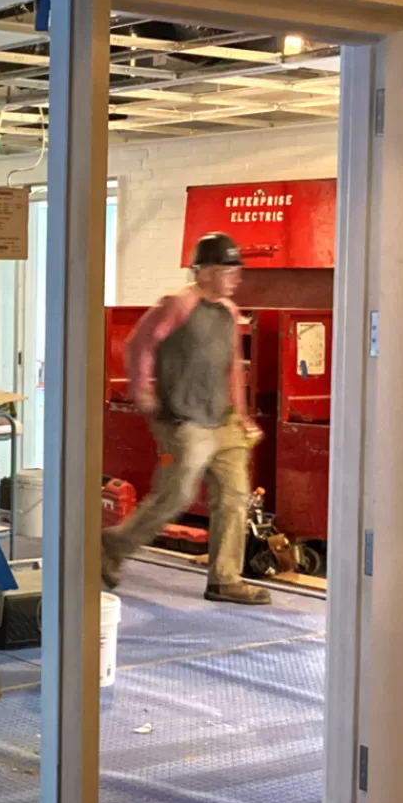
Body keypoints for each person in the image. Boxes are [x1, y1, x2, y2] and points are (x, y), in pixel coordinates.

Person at [100, 233, 270, 605]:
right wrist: (141, 388)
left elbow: (231, 368)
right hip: (183, 418)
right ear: (206, 271)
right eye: (228, 269)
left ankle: (225, 579)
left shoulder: (227, 311)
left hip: (221, 419)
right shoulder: (178, 304)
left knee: (234, 497)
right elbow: (140, 344)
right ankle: (111, 546)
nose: (236, 276)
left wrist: (240, 416)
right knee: (176, 495)